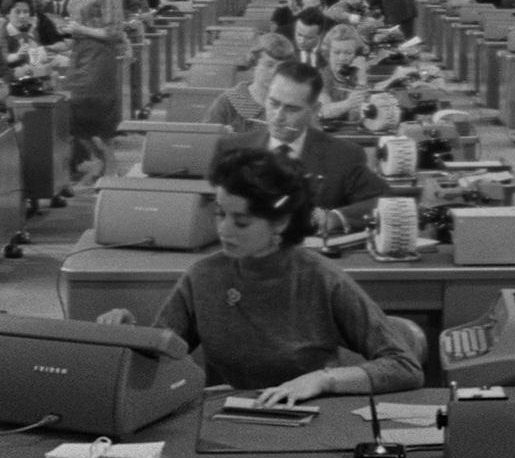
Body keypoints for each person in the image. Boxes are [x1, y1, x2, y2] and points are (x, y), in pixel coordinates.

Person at [94, 147, 421, 402]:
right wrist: (127, 335)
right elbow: (159, 360)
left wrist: (324, 380)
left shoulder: (322, 278)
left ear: (280, 222)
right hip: (225, 415)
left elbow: (403, 366)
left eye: (241, 221)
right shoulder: (202, 276)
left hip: (310, 415)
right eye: (219, 214)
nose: (224, 229)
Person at [213, 61, 390, 231]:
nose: (278, 116)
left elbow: (383, 201)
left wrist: (335, 218)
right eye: (273, 103)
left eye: (291, 109)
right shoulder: (231, 149)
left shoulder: (343, 155)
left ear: (314, 110)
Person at [61, 0, 126, 187]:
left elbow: (114, 31)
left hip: (100, 56)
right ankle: (99, 160)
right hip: (79, 54)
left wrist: (81, 29)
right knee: (72, 110)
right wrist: (70, 31)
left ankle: (111, 168)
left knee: (98, 113)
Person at [205, 33, 294, 130]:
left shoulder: (295, 102)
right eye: (269, 65)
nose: (274, 72)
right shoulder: (227, 103)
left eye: (282, 67)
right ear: (254, 64)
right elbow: (206, 136)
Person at [316, 25, 369, 121]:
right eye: (336, 53)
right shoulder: (321, 76)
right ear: (328, 54)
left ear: (356, 54)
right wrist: (349, 103)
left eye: (348, 53)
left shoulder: (359, 72)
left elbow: (358, 116)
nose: (342, 58)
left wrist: (362, 79)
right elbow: (324, 111)